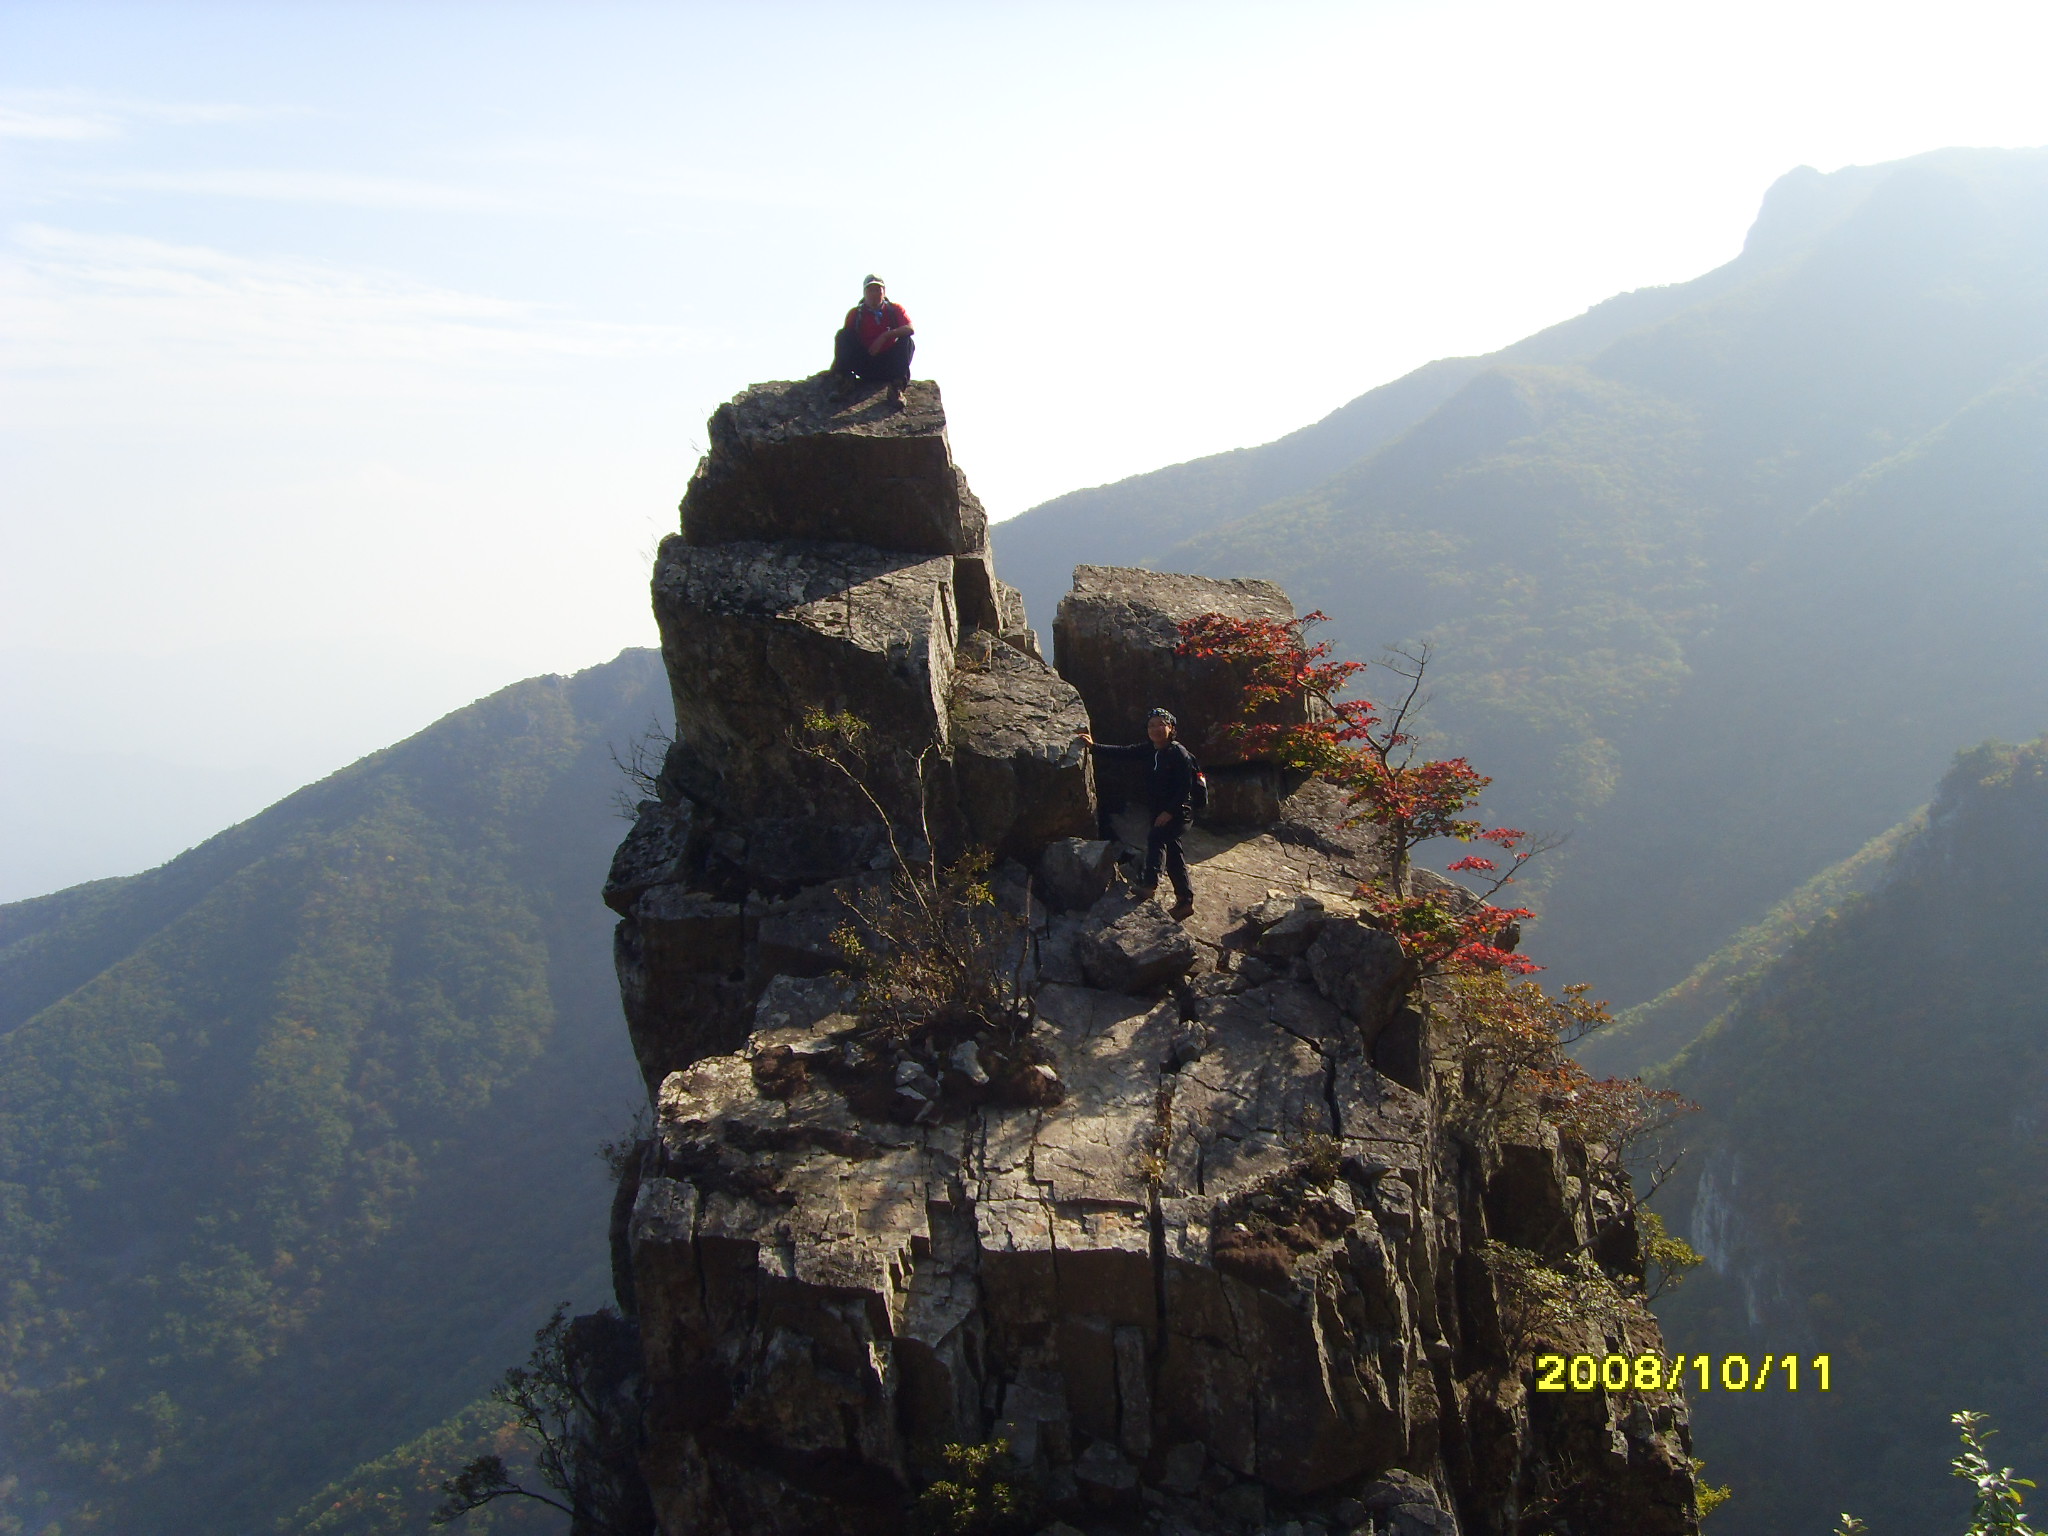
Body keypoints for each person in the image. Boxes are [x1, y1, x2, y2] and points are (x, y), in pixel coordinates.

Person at [1078, 708, 1197, 918]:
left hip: (1179, 812)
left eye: (1161, 724)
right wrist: (1094, 747)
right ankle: (1185, 901)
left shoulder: (1178, 754)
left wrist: (1169, 812)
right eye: (1151, 725)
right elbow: (1125, 752)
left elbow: (1185, 787)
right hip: (1160, 810)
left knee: (1156, 838)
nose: (1156, 729)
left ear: (1171, 728)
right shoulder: (1151, 749)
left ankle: (1150, 884)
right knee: (1174, 854)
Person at [831, 274, 916, 404]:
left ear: (884, 292)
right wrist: (837, 367)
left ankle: (896, 388)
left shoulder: (894, 309)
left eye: (878, 290)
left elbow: (910, 328)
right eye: (870, 290)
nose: (874, 294)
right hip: (865, 363)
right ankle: (844, 382)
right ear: (864, 293)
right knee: (843, 335)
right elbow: (845, 343)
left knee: (907, 341)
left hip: (888, 365)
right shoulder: (856, 314)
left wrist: (885, 336)